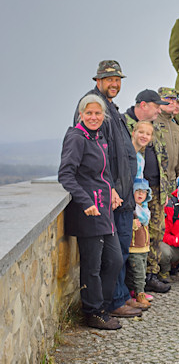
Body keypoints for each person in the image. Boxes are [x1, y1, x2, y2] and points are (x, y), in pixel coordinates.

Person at [73, 61, 140, 319]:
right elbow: (93, 155)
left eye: (117, 79)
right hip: (108, 197)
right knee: (111, 256)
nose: (114, 83)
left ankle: (118, 297)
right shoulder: (93, 106)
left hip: (120, 194)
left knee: (119, 252)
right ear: (98, 80)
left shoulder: (111, 107)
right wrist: (111, 187)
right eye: (109, 79)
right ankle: (112, 302)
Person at [59, 95, 123, 330]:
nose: (94, 117)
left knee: (115, 259)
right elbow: (66, 174)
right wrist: (85, 201)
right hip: (89, 212)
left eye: (98, 113)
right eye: (89, 113)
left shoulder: (98, 136)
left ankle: (103, 306)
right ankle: (93, 312)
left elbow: (103, 173)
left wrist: (113, 190)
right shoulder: (76, 138)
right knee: (92, 266)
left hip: (105, 209)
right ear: (81, 114)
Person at [124, 90, 171, 293]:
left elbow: (163, 157)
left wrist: (167, 187)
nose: (159, 110)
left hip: (156, 189)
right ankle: (135, 281)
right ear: (143, 105)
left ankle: (150, 275)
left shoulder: (155, 126)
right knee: (136, 235)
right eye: (156, 106)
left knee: (155, 233)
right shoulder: (124, 124)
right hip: (134, 191)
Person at [125, 178, 152, 310]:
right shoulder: (132, 210)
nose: (141, 194)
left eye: (144, 191)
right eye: (137, 191)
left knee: (141, 269)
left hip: (143, 247)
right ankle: (139, 293)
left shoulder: (144, 210)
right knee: (138, 272)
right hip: (134, 247)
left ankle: (135, 291)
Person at [156, 87, 179, 194]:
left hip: (172, 183)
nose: (171, 102)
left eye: (174, 99)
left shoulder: (177, 128)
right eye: (167, 98)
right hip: (155, 183)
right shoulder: (151, 122)